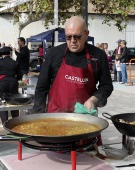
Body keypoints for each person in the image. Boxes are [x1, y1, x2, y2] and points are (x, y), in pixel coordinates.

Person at [32, 16, 113, 148]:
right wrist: (38, 118)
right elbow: (42, 88)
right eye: (68, 37)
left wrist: (94, 99)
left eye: (77, 37)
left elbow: (106, 85)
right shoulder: (54, 54)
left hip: (85, 121)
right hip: (56, 118)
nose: (72, 41)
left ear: (86, 34)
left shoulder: (98, 56)